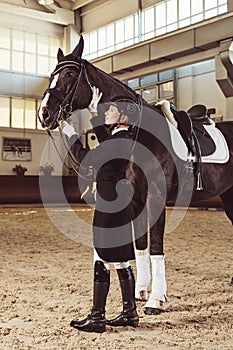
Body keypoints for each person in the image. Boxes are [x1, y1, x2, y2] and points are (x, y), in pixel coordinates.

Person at [61, 87, 139, 333]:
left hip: (108, 206)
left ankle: (97, 317)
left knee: (101, 257)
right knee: (121, 260)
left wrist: (69, 133)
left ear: (123, 118)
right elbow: (105, 137)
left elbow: (86, 158)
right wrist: (94, 111)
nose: (108, 113)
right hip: (119, 205)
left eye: (112, 110)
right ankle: (129, 312)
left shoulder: (119, 141)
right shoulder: (122, 139)